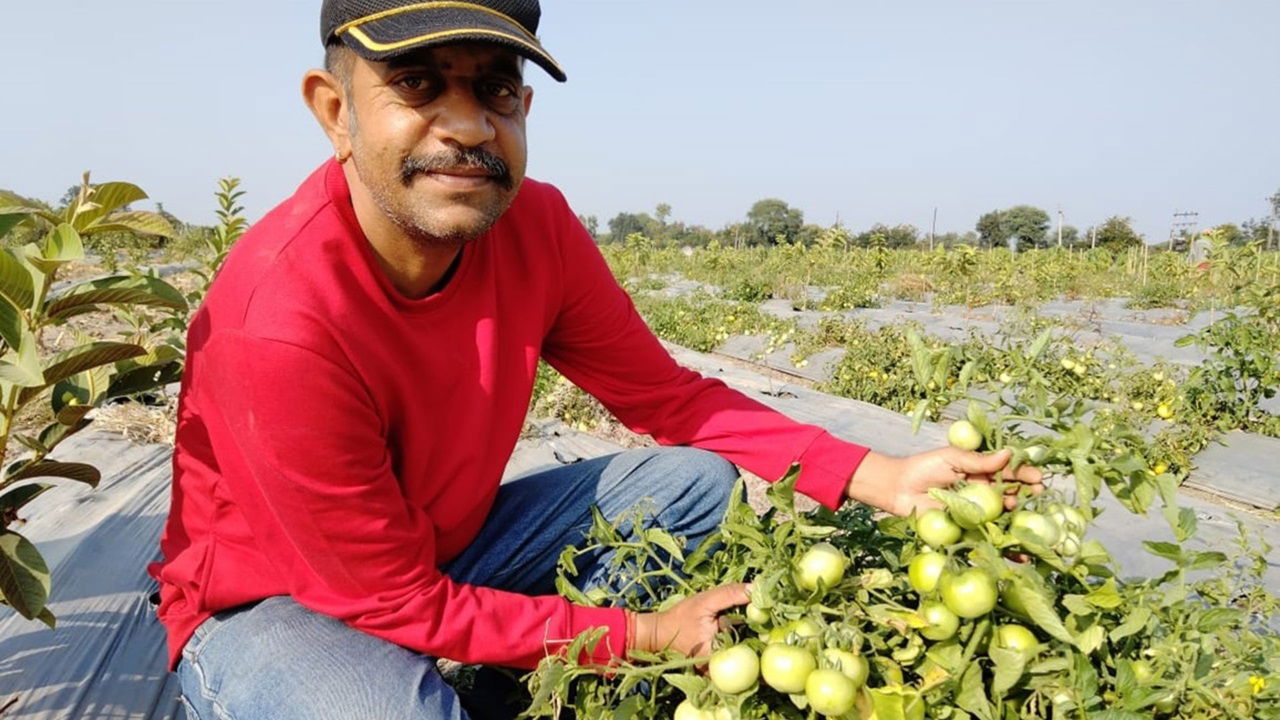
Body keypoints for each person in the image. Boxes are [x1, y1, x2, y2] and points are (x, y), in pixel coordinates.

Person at [150, 1, 1042, 718]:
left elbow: (670, 397)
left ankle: (505, 683)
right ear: (336, 112)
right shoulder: (281, 320)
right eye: (417, 84)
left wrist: (880, 475)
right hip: (279, 603)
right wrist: (647, 635)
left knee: (691, 484)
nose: (465, 124)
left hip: (437, 552)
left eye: (495, 90)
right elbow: (385, 601)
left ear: (524, 110)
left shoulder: (537, 228)